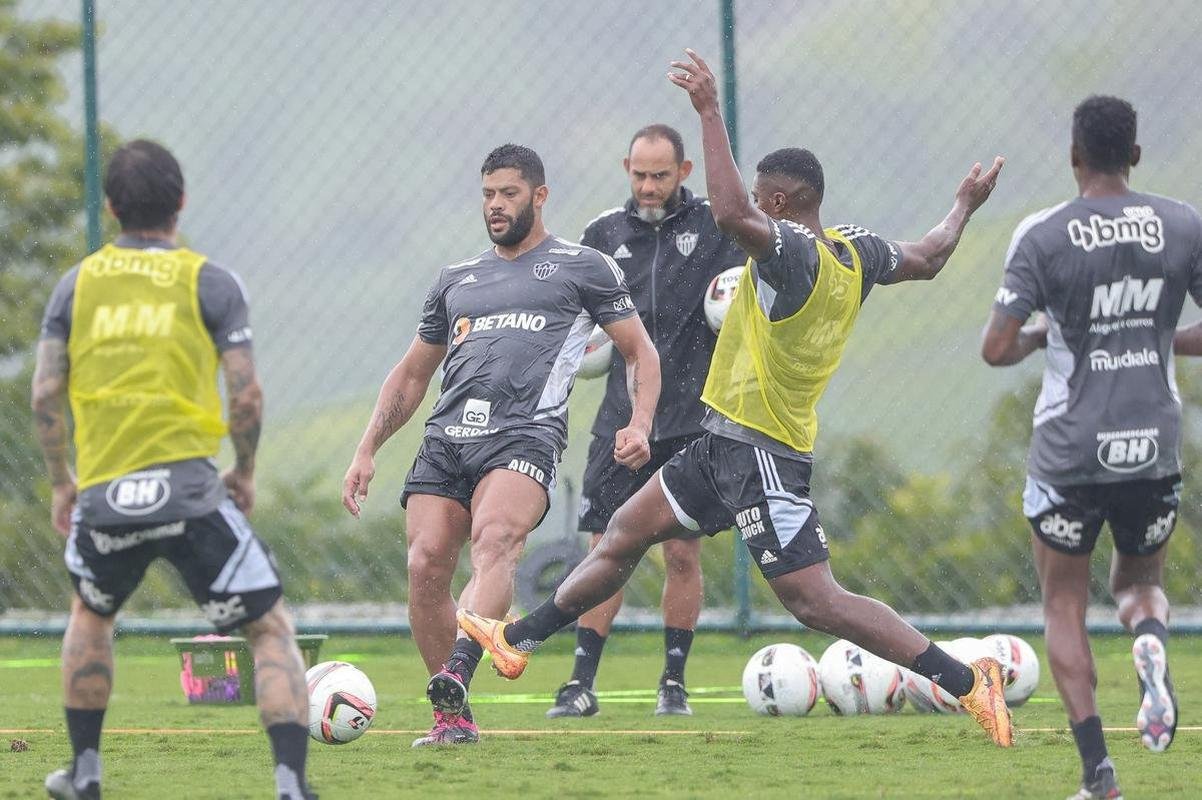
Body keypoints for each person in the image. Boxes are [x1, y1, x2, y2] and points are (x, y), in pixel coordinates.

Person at [458, 49, 1014, 750]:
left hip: (765, 454)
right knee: (626, 532)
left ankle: (968, 682)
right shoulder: (856, 250)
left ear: (778, 205)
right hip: (718, 444)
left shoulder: (796, 256)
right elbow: (930, 256)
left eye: (760, 196)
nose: (751, 203)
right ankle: (517, 639)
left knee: (817, 601)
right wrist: (964, 203)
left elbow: (727, 211)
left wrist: (709, 109)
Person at [340, 144, 660, 746]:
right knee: (424, 566)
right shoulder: (455, 280)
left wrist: (639, 421)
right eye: (488, 194)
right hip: (446, 439)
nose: (495, 205)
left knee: (495, 541)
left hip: (525, 435)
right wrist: (366, 450)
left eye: (508, 193)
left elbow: (639, 350)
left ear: (538, 196)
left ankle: (458, 671)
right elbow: (412, 375)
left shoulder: (583, 267)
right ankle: (453, 722)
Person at [32, 140, 314, 800]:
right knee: (269, 629)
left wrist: (61, 481)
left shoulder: (74, 286)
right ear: (181, 202)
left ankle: (86, 774)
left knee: (91, 615)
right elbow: (246, 393)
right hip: (191, 494)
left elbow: (45, 392)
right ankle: (291, 785)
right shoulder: (211, 282)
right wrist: (243, 469)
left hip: (104, 498)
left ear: (110, 209)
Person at [982, 95, 1199, 799]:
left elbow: (996, 348)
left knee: (1064, 605)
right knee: (1139, 586)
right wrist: (1157, 337)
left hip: (1070, 451)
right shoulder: (1181, 223)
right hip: (1153, 444)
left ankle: (1099, 776)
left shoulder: (1043, 235)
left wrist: (1045, 334)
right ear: (1135, 155)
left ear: (1074, 156)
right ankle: (1151, 643)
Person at [548, 124, 746, 719]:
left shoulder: (718, 226)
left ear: (684, 172)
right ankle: (581, 684)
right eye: (639, 174)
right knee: (605, 549)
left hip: (690, 421)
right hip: (621, 423)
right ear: (625, 168)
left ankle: (674, 683)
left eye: (660, 175)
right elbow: (579, 321)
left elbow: (748, 293)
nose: (648, 186)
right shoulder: (602, 235)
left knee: (682, 553)